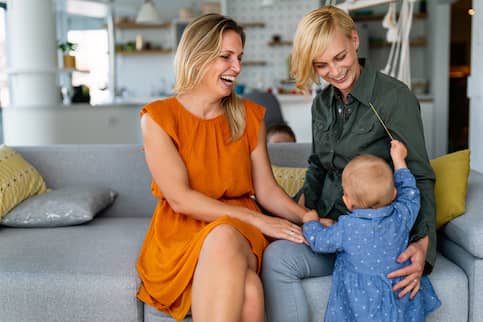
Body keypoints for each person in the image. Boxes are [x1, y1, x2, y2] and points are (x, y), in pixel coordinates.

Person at [262, 6, 437, 322]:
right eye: (321, 65)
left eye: (340, 57)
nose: (334, 71)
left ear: (354, 40)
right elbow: (317, 166)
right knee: (267, 249)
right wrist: (301, 215)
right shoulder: (322, 104)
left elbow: (420, 175)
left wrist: (423, 248)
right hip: (329, 228)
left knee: (277, 259)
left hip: (368, 239)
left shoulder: (394, 98)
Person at [136, 13, 308, 322]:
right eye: (226, 57)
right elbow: (180, 199)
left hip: (239, 233)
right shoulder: (158, 118)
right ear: (197, 56)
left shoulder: (249, 116)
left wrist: (307, 216)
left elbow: (267, 190)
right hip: (181, 234)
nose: (237, 68)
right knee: (251, 290)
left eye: (239, 57)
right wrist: (262, 223)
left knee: (225, 236)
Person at [303, 140, 441, 321]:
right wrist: (399, 160)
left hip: (362, 303)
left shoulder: (346, 227)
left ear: (347, 201)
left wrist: (311, 222)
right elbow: (410, 193)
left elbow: (319, 241)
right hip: (399, 298)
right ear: (393, 193)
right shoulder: (400, 216)